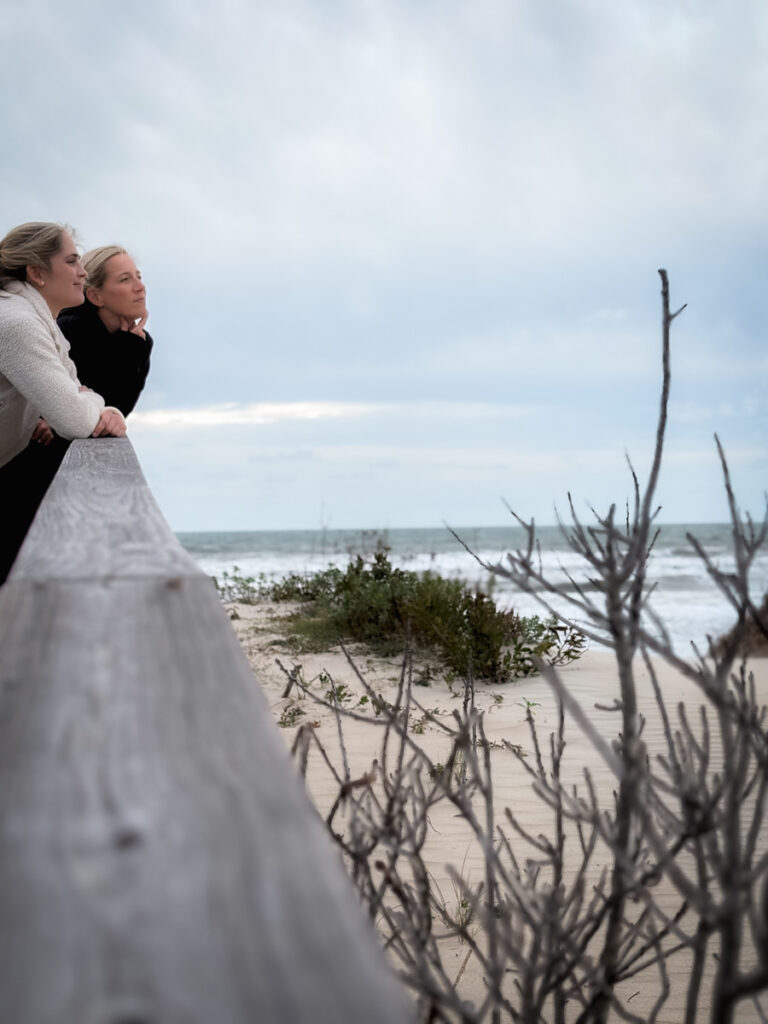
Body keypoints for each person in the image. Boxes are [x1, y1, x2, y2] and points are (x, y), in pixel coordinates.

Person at [0, 222, 126, 582]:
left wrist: (100, 407)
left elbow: (74, 390)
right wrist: (97, 401)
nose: (83, 271)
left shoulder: (37, 317)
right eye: (71, 261)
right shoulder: (16, 323)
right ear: (37, 273)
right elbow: (75, 418)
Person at [58, 245, 153, 416]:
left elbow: (118, 412)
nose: (140, 287)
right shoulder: (69, 331)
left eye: (138, 276)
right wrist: (127, 349)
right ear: (95, 297)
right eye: (125, 279)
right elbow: (94, 412)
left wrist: (129, 346)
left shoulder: (137, 340)